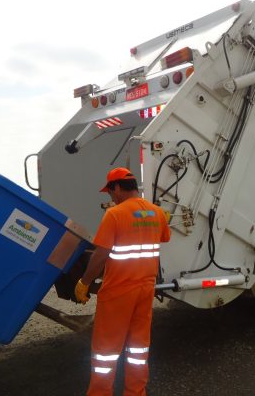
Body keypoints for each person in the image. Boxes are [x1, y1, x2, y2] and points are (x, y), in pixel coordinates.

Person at [75, 167, 170, 396]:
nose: (111, 196)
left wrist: (84, 282)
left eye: (110, 191)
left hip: (118, 291)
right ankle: (136, 392)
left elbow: (100, 254)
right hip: (146, 288)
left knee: (105, 351)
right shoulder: (157, 213)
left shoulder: (115, 214)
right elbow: (163, 238)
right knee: (138, 348)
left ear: (117, 187)